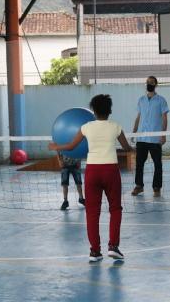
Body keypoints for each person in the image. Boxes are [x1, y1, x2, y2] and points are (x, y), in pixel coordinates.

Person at [49, 94, 134, 262]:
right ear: (110, 110)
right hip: (110, 170)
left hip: (92, 171)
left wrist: (56, 146)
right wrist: (135, 149)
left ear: (93, 111)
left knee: (92, 212)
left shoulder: (86, 127)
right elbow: (126, 148)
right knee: (115, 209)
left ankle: (95, 251)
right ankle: (113, 247)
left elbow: (72, 146)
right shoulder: (116, 127)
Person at [131, 76, 169, 197]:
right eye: (147, 82)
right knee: (139, 164)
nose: (149, 84)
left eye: (151, 83)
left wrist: (163, 135)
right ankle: (139, 186)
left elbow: (164, 118)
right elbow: (138, 117)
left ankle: (156, 188)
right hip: (141, 138)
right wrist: (134, 131)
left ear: (156, 85)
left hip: (155, 138)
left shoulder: (161, 100)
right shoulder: (141, 100)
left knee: (157, 164)